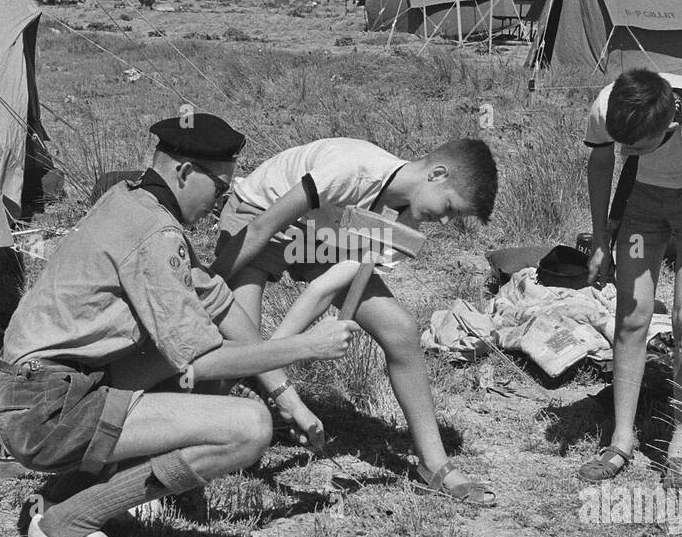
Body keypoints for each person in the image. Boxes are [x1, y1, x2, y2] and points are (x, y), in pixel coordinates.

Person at [0, 113, 357, 537]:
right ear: (186, 173)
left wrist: (286, 395)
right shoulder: (155, 235)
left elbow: (220, 305)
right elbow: (201, 360)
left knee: (190, 366)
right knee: (249, 428)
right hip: (48, 407)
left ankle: (67, 492)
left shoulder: (132, 200)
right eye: (220, 189)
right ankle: (70, 523)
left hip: (44, 387)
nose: (220, 205)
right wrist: (307, 347)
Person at [212, 137, 498, 506]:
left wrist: (270, 361)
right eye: (449, 207)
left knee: (400, 330)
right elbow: (263, 227)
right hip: (258, 217)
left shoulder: (404, 224)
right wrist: (206, 289)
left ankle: (434, 463)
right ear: (437, 173)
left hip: (321, 238)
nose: (444, 221)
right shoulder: (352, 169)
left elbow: (322, 291)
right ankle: (192, 443)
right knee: (235, 342)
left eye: (454, 218)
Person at [578, 70, 682, 489]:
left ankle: (680, 445)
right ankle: (620, 441)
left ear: (668, 127)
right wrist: (601, 238)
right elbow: (600, 164)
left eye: (634, 146)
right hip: (640, 205)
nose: (625, 151)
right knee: (632, 316)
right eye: (622, 143)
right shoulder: (607, 104)